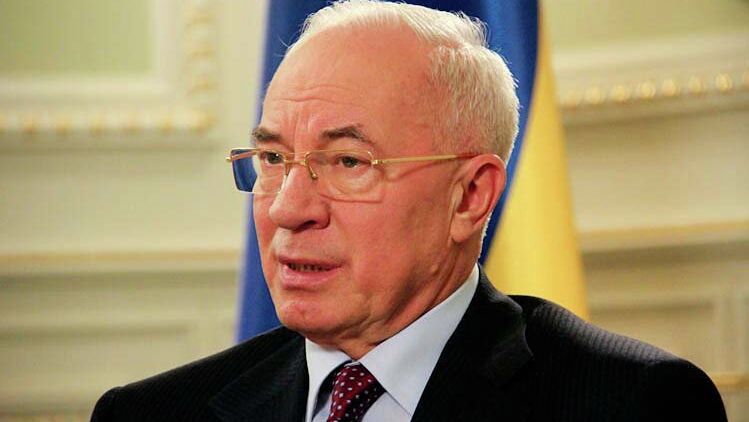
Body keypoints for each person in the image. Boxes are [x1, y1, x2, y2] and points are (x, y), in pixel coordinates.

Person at [91, 1, 727, 421]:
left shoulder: (632, 404)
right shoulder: (150, 415)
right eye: (274, 159)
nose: (288, 209)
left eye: (348, 162)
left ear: (470, 196)